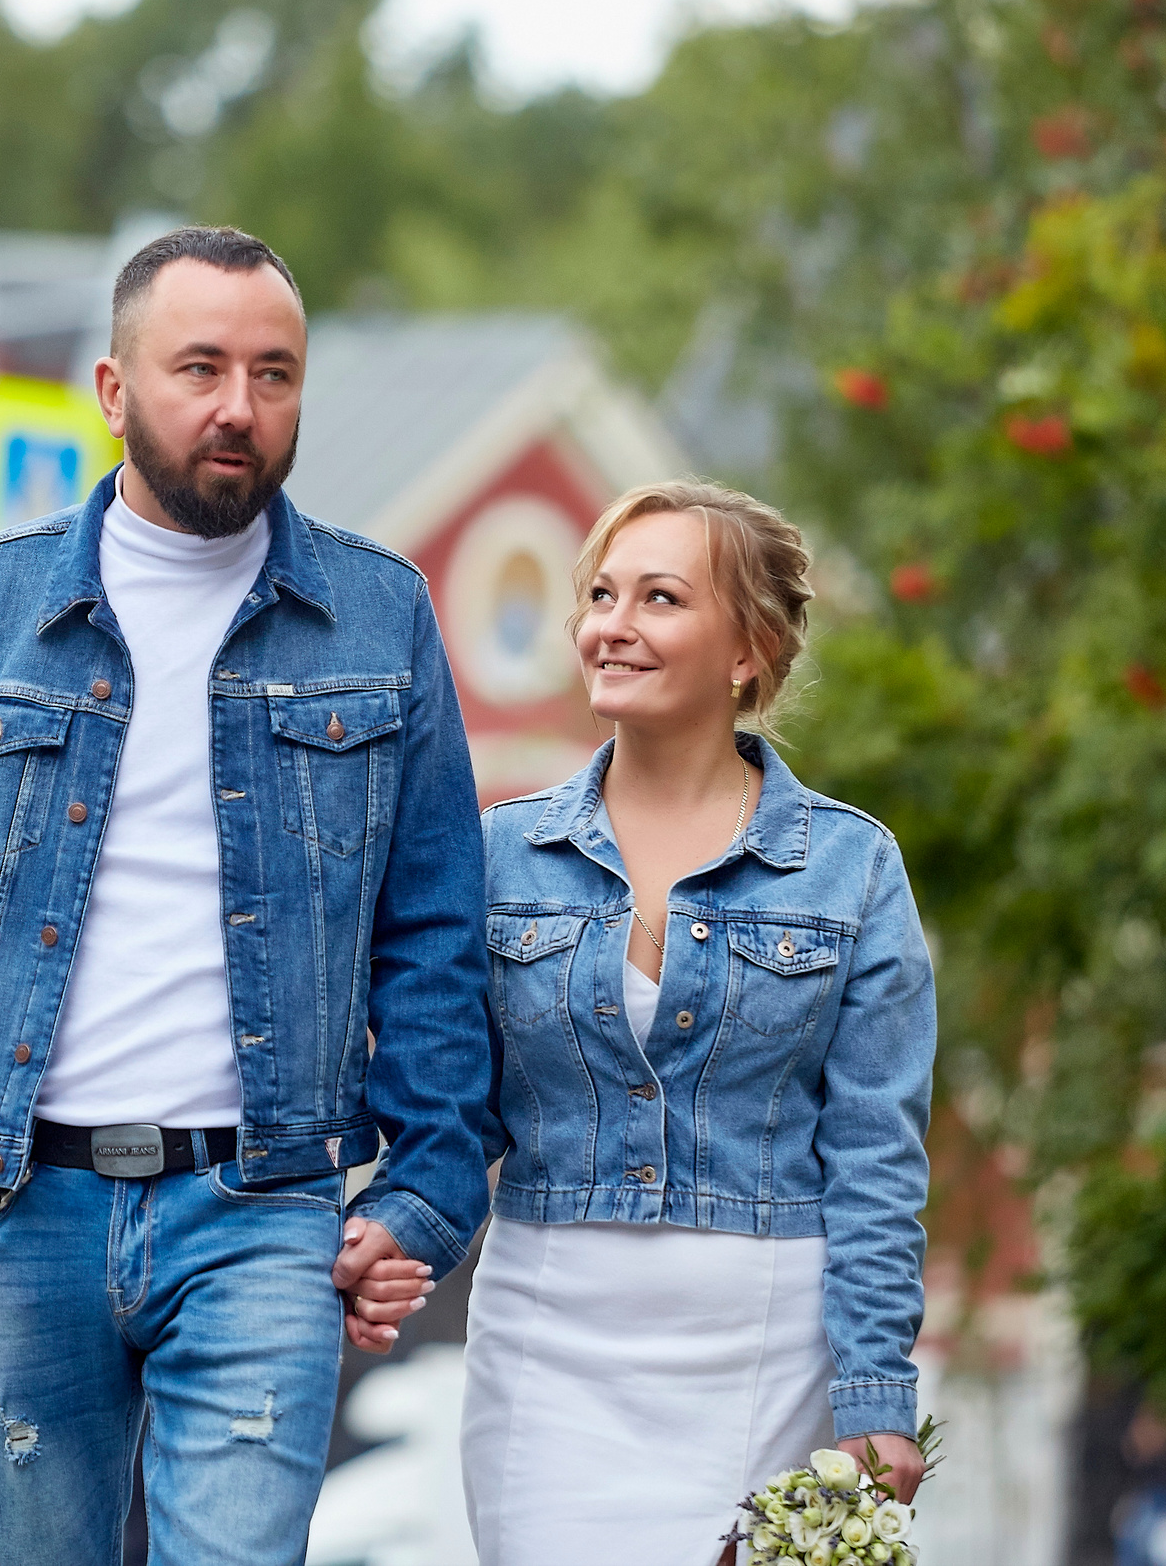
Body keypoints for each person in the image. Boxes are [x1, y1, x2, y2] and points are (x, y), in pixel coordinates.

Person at [0, 225, 494, 1565]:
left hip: (263, 1206)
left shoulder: (379, 617)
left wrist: (421, 1186)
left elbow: (434, 927)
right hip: (24, 1209)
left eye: (274, 372)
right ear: (114, 389)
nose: (239, 406)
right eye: (201, 367)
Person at [432, 480, 936, 1563]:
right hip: (547, 1339)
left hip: (766, 1351)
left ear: (747, 649)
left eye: (659, 598)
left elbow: (875, 1159)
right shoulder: (499, 855)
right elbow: (450, 1107)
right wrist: (392, 1238)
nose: (611, 625)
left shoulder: (852, 869)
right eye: (601, 595)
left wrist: (875, 1391)